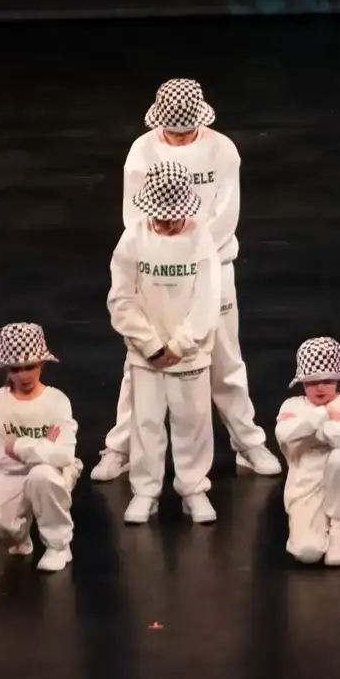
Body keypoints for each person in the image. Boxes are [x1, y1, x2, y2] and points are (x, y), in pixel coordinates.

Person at [91, 79, 282, 484]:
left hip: (214, 263)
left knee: (225, 358)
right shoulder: (142, 151)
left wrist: (197, 256)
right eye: (171, 132)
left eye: (184, 131)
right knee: (141, 360)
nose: (177, 139)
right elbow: (134, 215)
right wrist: (163, 252)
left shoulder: (222, 149)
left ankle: (247, 442)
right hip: (156, 267)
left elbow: (227, 212)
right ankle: (120, 448)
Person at [106, 160, 224, 524]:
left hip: (189, 353)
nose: (170, 225)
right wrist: (151, 344)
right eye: (162, 219)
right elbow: (121, 298)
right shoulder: (133, 238)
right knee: (145, 422)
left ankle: (193, 489)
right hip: (147, 355)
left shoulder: (200, 239)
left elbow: (207, 298)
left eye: (175, 218)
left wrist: (182, 343)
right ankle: (146, 491)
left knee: (194, 419)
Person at [0, 323, 81, 573]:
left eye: (30, 366)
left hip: (51, 473)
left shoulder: (56, 401)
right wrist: (44, 447)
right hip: (11, 475)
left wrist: (20, 446)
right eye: (16, 368)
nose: (24, 375)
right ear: (7, 370)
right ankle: (20, 535)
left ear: (42, 363)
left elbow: (64, 454)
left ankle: (58, 545)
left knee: (42, 475)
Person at [275, 337, 340, 567]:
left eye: (327, 380)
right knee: (307, 553)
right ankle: (316, 529)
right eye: (313, 381)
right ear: (302, 383)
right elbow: (283, 434)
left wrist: (308, 428)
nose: (320, 387)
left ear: (337, 380)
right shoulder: (291, 406)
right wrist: (326, 415)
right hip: (305, 488)